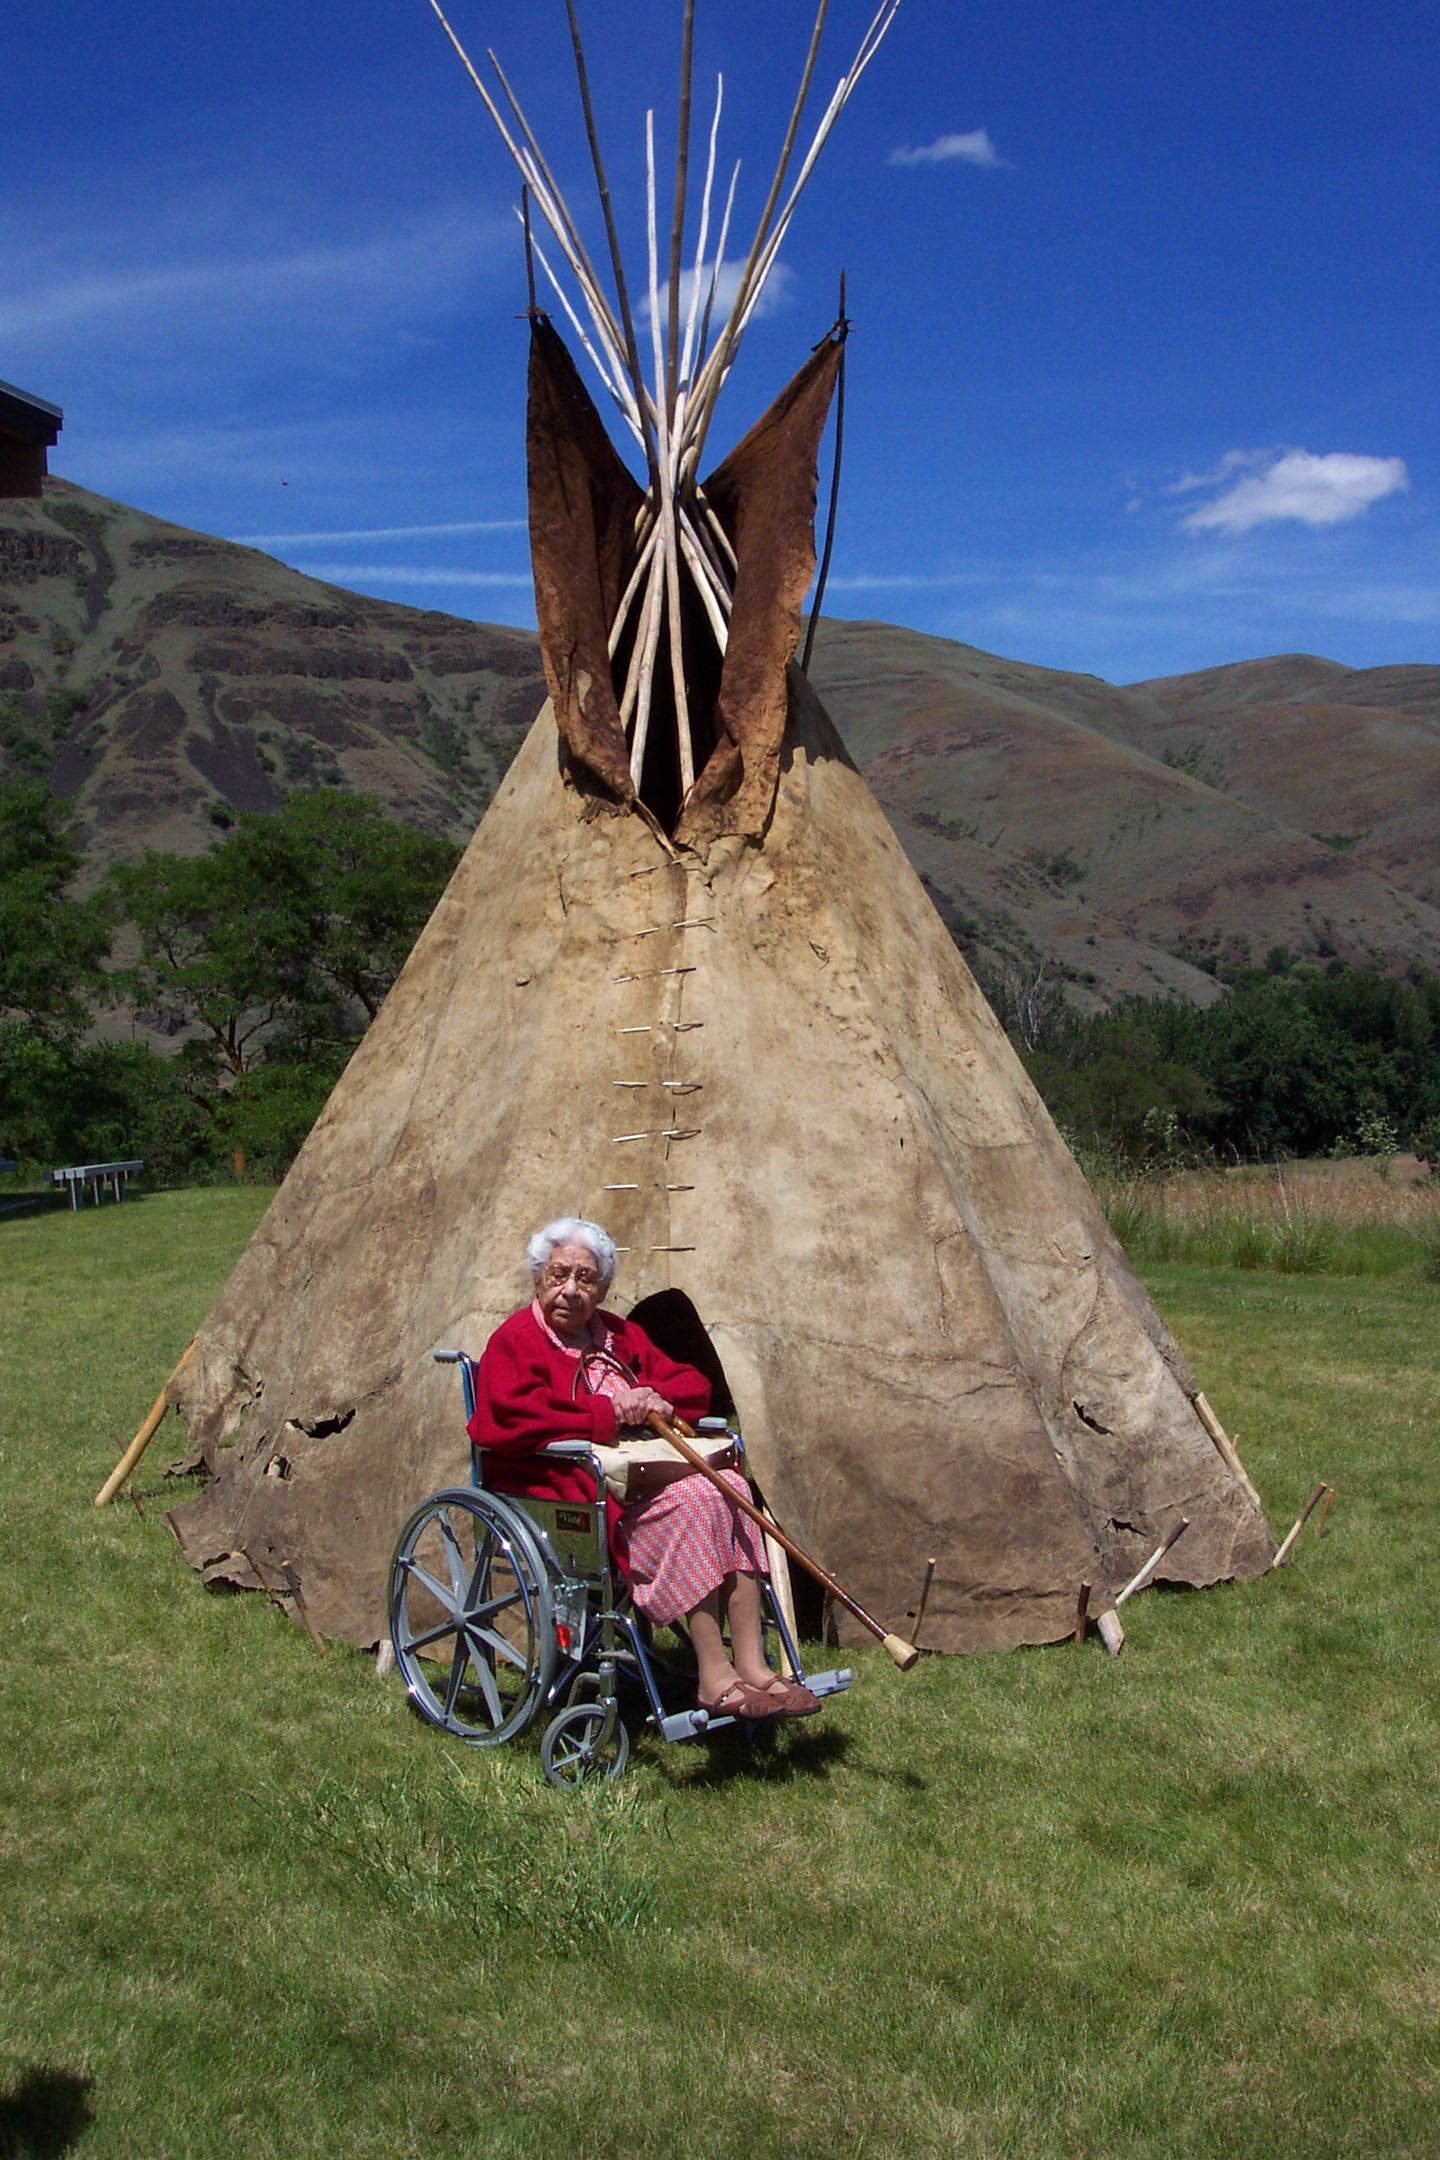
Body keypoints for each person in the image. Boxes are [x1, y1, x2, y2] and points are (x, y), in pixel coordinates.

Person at [469, 1216, 817, 1720]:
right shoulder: (515, 1341)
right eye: (559, 1275)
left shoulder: (617, 1335)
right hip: (560, 1483)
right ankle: (713, 1678)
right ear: (538, 1277)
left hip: (638, 1474)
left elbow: (693, 1386)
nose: (570, 1290)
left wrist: (658, 1397)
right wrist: (604, 1414)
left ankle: (753, 1665)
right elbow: (509, 1417)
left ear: (604, 1288)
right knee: (693, 1501)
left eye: (585, 1279)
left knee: (732, 1487)